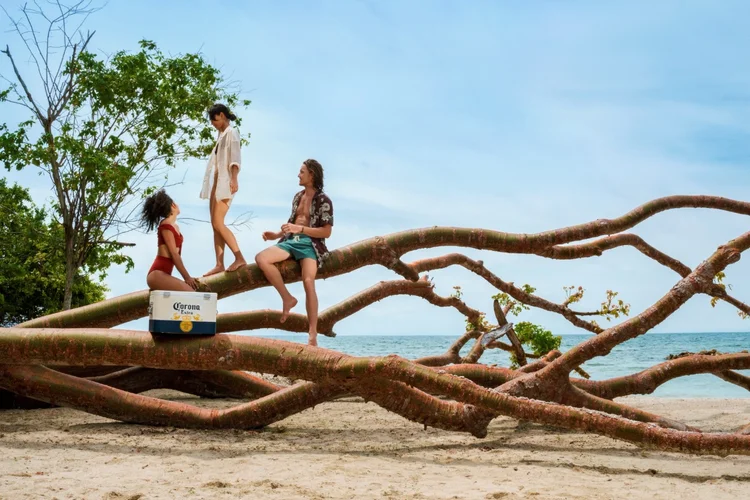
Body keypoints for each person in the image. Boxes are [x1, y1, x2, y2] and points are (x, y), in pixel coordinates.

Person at [255, 159, 334, 346]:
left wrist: (301, 230)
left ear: (311, 174)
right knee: (262, 258)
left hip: (309, 244)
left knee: (308, 282)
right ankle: (287, 298)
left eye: (302, 172)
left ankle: (312, 333)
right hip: (290, 242)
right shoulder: (297, 197)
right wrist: (275, 235)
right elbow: (292, 223)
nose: (298, 175)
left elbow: (326, 232)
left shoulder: (324, 200)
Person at [200, 103, 247, 276]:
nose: (212, 123)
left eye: (214, 119)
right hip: (217, 182)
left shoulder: (232, 133)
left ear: (221, 115)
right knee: (214, 225)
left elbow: (235, 158)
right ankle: (219, 264)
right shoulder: (221, 135)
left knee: (219, 222)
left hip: (226, 182)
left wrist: (234, 178)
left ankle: (239, 257)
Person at [141, 189, 198, 292]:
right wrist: (187, 278)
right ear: (173, 206)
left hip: (164, 274)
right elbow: (174, 255)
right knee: (191, 294)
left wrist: (187, 278)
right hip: (157, 274)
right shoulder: (166, 226)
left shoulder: (174, 227)